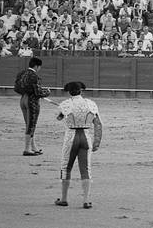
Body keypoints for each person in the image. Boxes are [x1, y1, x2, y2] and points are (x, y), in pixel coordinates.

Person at [55, 81, 102, 209]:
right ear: (81, 91)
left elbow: (59, 118)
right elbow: (98, 124)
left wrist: (61, 110)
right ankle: (86, 201)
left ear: (69, 92)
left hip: (71, 137)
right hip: (86, 138)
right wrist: (96, 142)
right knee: (85, 169)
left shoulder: (65, 104)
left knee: (66, 167)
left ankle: (64, 199)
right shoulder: (91, 104)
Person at [14, 57, 50, 156]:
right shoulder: (34, 76)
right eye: (39, 67)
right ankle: (27, 149)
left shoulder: (21, 74)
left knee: (29, 124)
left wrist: (25, 93)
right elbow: (38, 92)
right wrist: (47, 92)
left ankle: (33, 147)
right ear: (37, 66)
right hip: (31, 101)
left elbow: (16, 88)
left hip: (23, 100)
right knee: (31, 124)